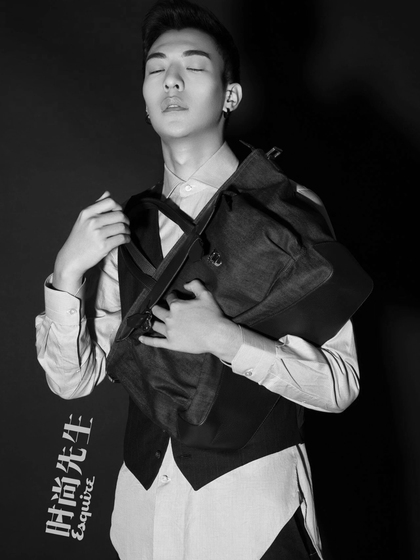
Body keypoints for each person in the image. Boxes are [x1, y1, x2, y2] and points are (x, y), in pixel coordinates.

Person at [36, 1, 361, 558]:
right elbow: (74, 382)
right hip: (142, 522)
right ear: (144, 97)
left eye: (194, 65)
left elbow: (340, 385)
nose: (172, 80)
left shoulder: (285, 208)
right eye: (156, 68)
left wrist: (224, 338)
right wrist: (67, 274)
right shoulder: (127, 225)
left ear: (230, 96)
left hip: (253, 520)